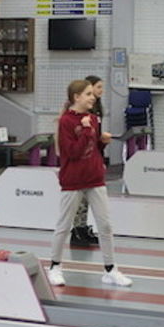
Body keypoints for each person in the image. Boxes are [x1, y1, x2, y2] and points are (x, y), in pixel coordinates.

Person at [47, 80, 131, 287]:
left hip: (95, 179)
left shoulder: (93, 119)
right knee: (64, 225)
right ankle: (55, 267)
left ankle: (110, 269)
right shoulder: (66, 121)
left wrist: (101, 142)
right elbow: (72, 152)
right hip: (73, 181)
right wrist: (85, 131)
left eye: (92, 94)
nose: (93, 98)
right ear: (76, 97)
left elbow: (93, 149)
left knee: (105, 225)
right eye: (88, 94)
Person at [69, 75, 110, 247]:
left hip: (94, 156)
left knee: (88, 197)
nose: (101, 91)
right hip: (81, 160)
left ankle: (83, 227)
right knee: (79, 197)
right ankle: (76, 230)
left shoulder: (97, 109)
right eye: (98, 87)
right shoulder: (78, 113)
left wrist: (102, 145)